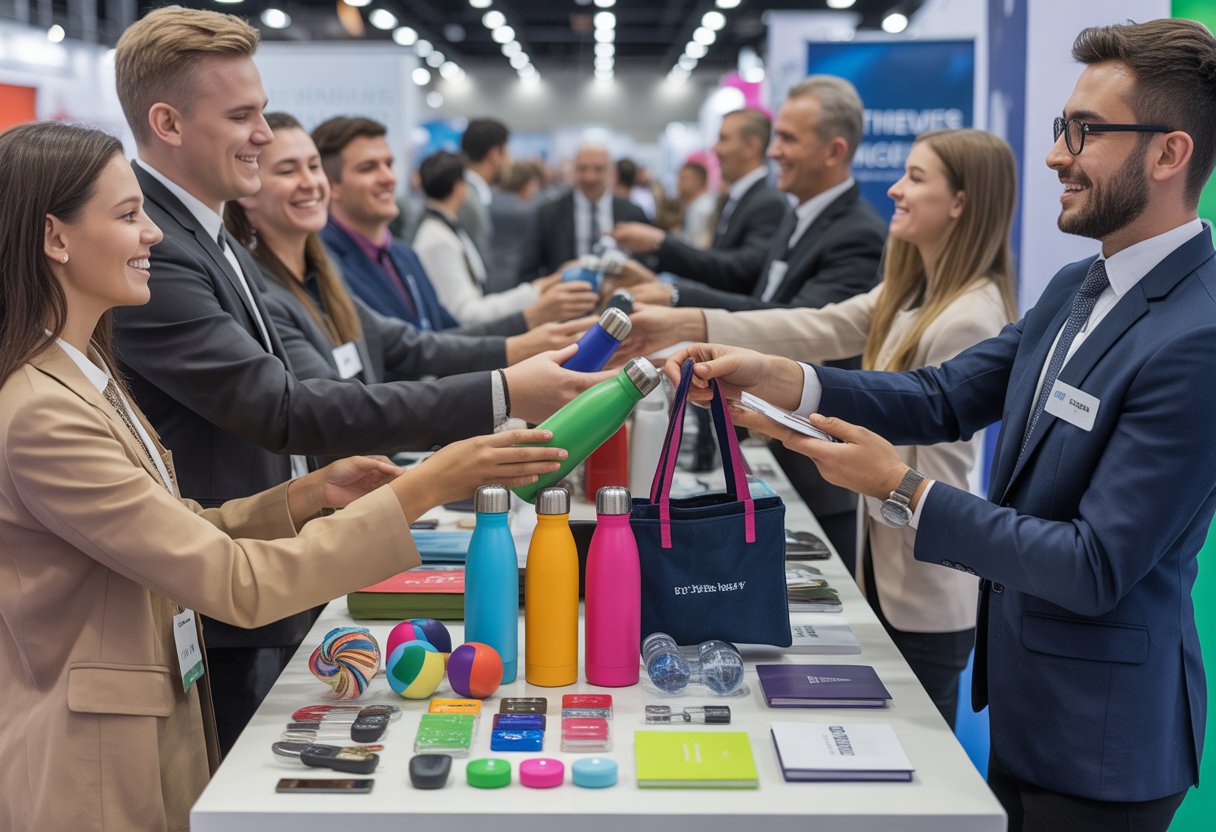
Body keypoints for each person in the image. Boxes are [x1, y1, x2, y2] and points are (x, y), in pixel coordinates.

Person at [665, 19, 1216, 831]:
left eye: (1085, 132)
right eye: (1063, 128)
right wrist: (789, 377)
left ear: (1169, 155)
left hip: (1106, 739)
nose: (1058, 155)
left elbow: (1097, 564)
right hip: (1030, 711)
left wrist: (903, 490)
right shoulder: (1076, 287)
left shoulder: (1197, 335)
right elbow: (942, 396)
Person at [0, 119, 569, 831]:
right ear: (56, 238)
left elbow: (172, 528)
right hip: (90, 767)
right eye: (127, 215)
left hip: (145, 727)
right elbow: (234, 581)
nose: (151, 235)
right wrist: (422, 488)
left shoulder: (87, 376)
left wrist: (301, 498)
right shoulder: (42, 413)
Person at [109, 6, 603, 752]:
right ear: (169, 124)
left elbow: (396, 349)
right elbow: (278, 406)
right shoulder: (161, 247)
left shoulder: (208, 233)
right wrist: (500, 393)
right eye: (242, 116)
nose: (264, 134)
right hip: (227, 591)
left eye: (263, 114)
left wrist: (513, 356)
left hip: (272, 563)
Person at [627, 129, 1018, 724]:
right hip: (883, 566)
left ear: (961, 201)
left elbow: (928, 472)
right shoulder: (910, 291)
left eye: (915, 177)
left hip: (924, 581)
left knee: (920, 760)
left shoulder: (970, 316)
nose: (894, 188)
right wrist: (691, 324)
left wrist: (794, 432)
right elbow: (815, 327)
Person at [617, 77, 887, 567]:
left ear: (834, 150)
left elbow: (800, 325)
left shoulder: (858, 234)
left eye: (787, 140)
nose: (773, 152)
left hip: (815, 467)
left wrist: (686, 313)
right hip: (769, 444)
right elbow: (759, 296)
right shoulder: (796, 214)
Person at [225, 114, 590, 390]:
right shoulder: (273, 288)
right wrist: (505, 386)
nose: (388, 178)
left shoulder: (359, 266)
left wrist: (524, 339)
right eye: (289, 170)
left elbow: (420, 343)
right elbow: (333, 406)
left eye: (313, 166)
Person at [315, 117, 597, 333]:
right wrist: (532, 310)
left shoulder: (403, 256)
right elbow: (425, 345)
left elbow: (440, 335)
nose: (388, 178)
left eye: (389, 164)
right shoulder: (326, 264)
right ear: (332, 185)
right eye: (368, 168)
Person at [612, 107, 787, 296]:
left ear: (751, 146)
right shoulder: (737, 199)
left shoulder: (768, 202)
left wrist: (661, 243)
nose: (715, 148)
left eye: (724, 138)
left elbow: (742, 271)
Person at [413, 150, 595, 327]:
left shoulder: (443, 230)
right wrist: (539, 291)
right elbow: (467, 315)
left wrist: (545, 285)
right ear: (460, 187)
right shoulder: (438, 240)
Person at [516, 143, 649, 279]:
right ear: (573, 171)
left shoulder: (633, 213)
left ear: (612, 173)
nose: (589, 177)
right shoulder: (549, 214)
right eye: (582, 169)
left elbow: (646, 266)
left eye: (598, 169)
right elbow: (528, 269)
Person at [458, 117, 510, 262]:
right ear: (495, 155)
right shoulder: (467, 201)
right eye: (507, 153)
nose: (510, 160)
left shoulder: (473, 196)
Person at [487, 160, 543, 292]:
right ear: (528, 184)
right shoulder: (531, 211)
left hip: (489, 274)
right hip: (518, 277)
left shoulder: (488, 205)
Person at [674, 160, 715, 247]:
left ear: (698, 181)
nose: (678, 183)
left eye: (683, 179)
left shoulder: (702, 209)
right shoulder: (694, 206)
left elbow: (696, 246)